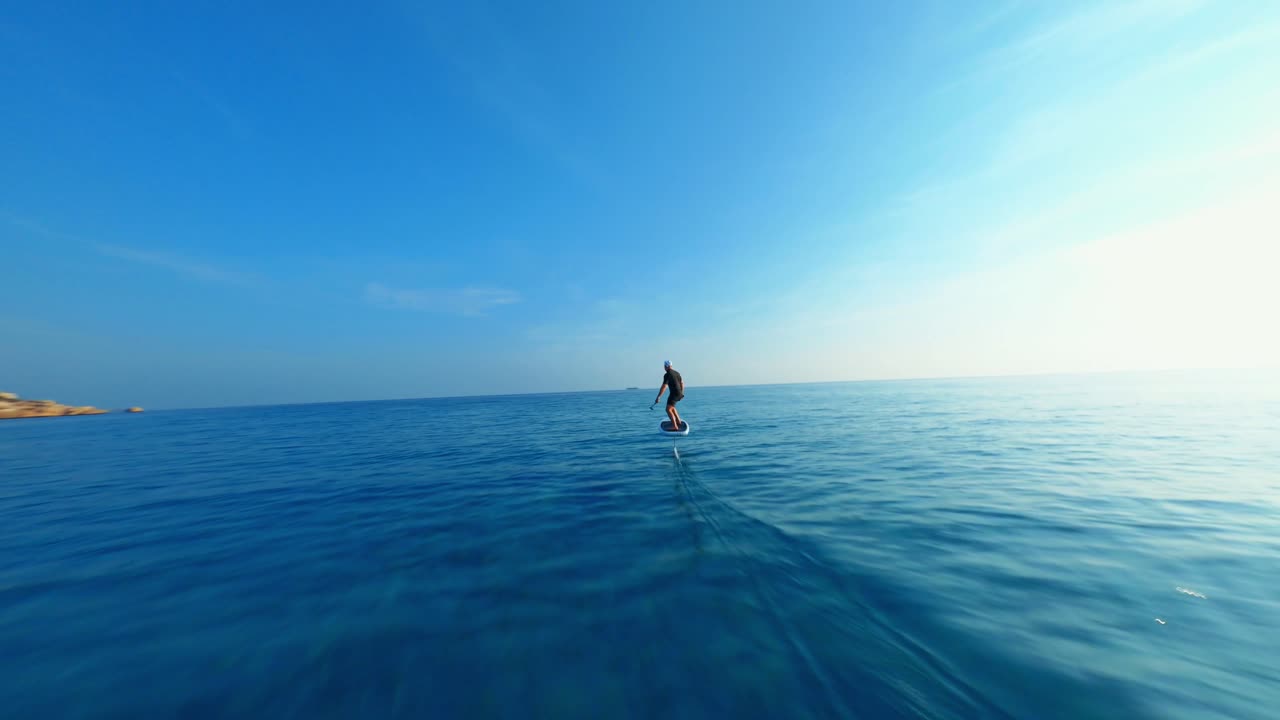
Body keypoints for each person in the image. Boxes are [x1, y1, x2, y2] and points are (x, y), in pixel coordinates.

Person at [655, 360, 685, 430]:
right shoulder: (677, 373)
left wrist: (659, 397)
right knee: (672, 407)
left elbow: (664, 386)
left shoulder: (667, 374)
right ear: (671, 366)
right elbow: (682, 383)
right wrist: (682, 393)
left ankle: (675, 426)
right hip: (679, 393)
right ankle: (678, 421)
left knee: (668, 409)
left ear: (665, 366)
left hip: (674, 394)